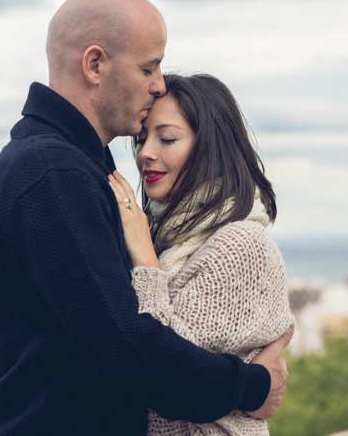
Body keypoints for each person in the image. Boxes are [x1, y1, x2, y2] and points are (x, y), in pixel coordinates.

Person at [0, 0, 293, 435]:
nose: (158, 84)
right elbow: (124, 348)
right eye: (149, 67)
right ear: (95, 64)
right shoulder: (53, 172)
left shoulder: (77, 166)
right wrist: (252, 386)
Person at [108, 73, 295, 435]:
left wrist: (147, 265)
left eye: (167, 138)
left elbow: (166, 374)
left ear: (212, 146)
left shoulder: (240, 245)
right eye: (142, 139)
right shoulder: (169, 238)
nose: (146, 152)